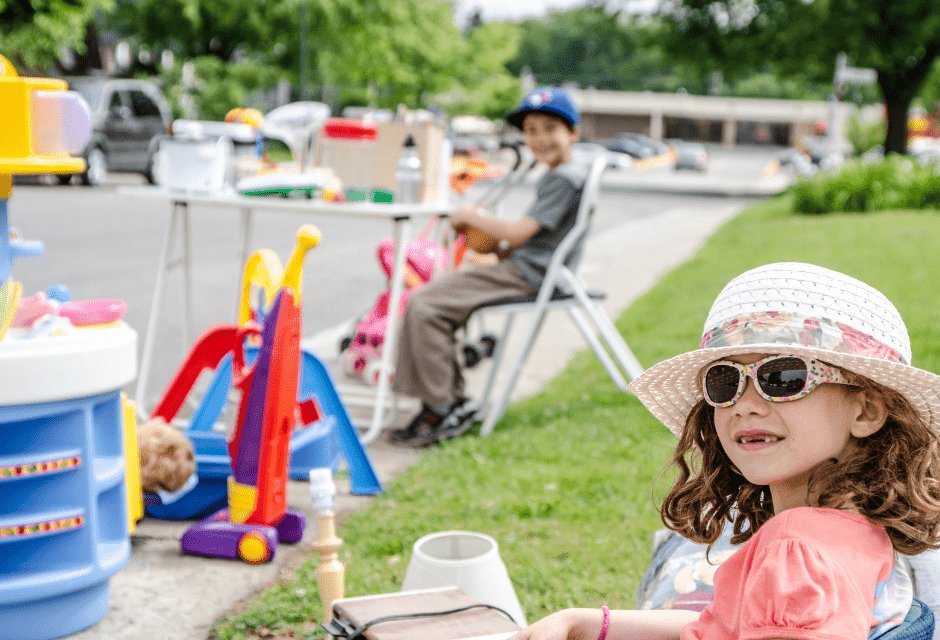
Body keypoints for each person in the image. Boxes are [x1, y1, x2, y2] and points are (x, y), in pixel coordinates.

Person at [511, 262, 940, 640]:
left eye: (783, 377)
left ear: (864, 411)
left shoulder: (798, 553)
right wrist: (588, 624)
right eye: (725, 381)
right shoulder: (848, 530)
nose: (746, 403)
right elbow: (731, 625)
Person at [390, 87, 587, 446]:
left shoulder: (564, 178)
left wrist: (468, 215)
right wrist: (493, 247)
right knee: (436, 304)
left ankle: (442, 404)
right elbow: (528, 238)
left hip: (529, 275)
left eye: (549, 128)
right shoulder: (565, 173)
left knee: (424, 304)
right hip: (527, 267)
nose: (540, 138)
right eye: (531, 130)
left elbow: (517, 231)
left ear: (572, 132)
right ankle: (445, 400)